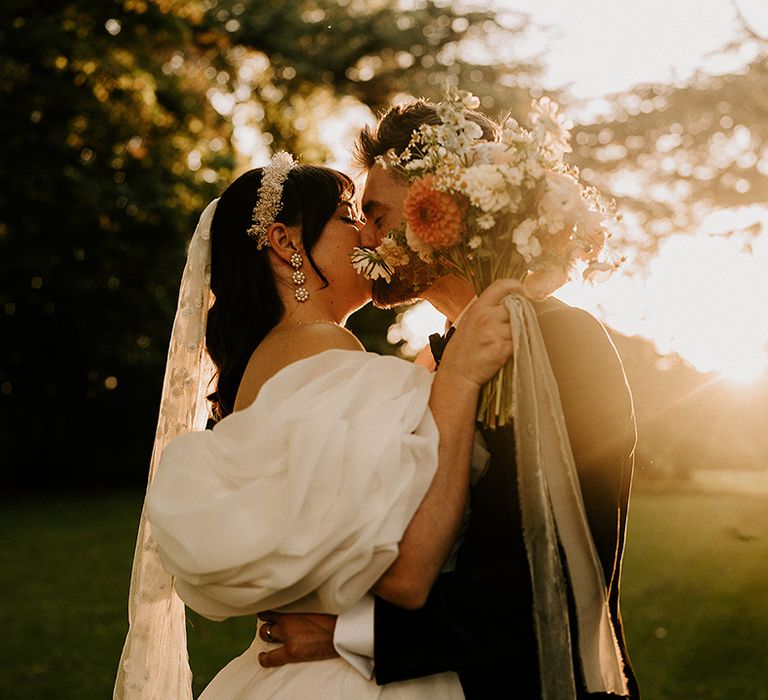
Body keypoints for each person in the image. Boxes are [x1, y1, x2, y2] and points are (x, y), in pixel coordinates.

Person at [258, 101, 641, 699]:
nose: (366, 237)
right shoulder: (437, 363)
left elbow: (556, 576)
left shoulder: (566, 344)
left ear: (439, 213)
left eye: (378, 216)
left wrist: (353, 632)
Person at [114, 152, 520, 699]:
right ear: (285, 244)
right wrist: (459, 381)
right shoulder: (326, 358)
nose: (369, 238)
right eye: (350, 216)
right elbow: (405, 574)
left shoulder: (278, 363)